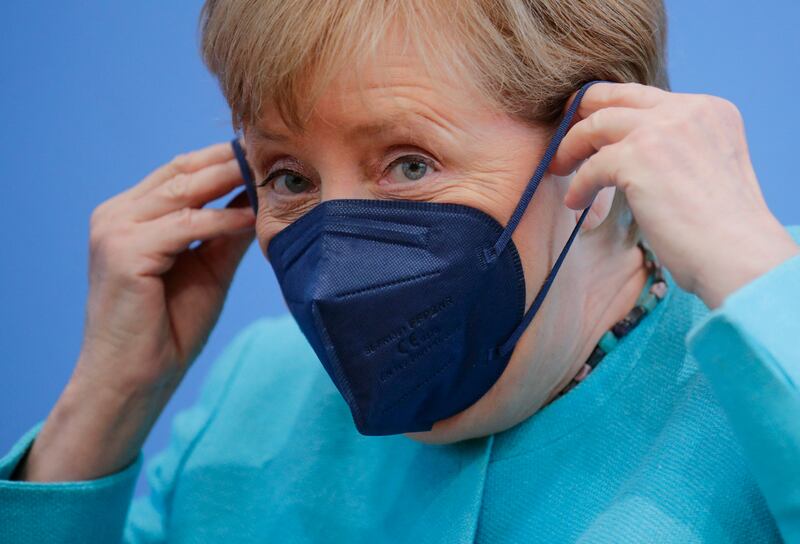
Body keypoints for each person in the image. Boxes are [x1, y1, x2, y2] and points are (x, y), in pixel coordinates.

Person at [2, 0, 798, 542]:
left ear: (597, 147)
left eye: (410, 165)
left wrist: (766, 292)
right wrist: (100, 413)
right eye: (288, 178)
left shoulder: (758, 355)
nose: (337, 265)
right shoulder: (252, 400)